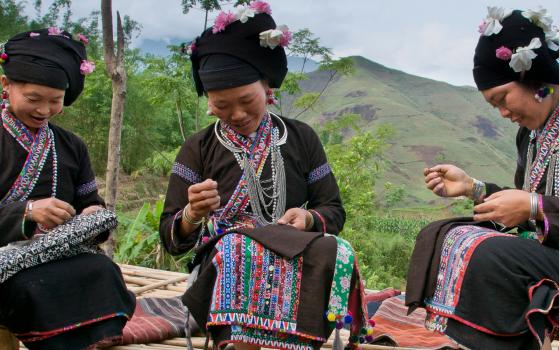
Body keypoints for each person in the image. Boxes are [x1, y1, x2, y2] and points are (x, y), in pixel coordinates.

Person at [159, 3, 372, 349]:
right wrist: (192, 214)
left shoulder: (301, 138)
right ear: (209, 102)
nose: (237, 114)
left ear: (267, 88)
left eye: (246, 100)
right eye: (221, 106)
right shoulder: (197, 148)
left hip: (293, 248)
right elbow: (171, 239)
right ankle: (239, 343)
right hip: (226, 257)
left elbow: (333, 210)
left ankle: (301, 340)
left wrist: (307, 217)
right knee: (239, 247)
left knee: (337, 250)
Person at [405, 7, 559, 350]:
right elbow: (524, 202)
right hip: (551, 256)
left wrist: (536, 207)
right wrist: (473, 188)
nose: (504, 113)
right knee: (444, 235)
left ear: (535, 79)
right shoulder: (531, 136)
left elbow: (532, 206)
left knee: (489, 254)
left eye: (501, 99)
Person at [0, 28, 135, 349]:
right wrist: (28, 212)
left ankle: (92, 339)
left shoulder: (70, 145)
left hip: (57, 252)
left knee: (102, 270)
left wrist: (93, 214)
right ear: (6, 85)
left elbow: (89, 200)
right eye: (33, 99)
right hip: (5, 259)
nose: (44, 110)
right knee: (30, 285)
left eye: (55, 101)